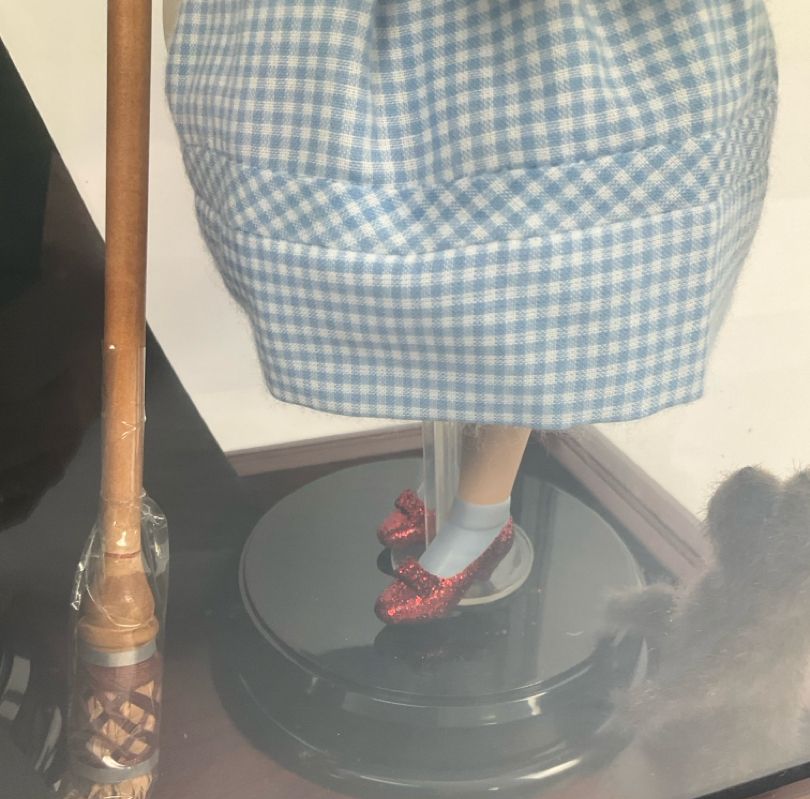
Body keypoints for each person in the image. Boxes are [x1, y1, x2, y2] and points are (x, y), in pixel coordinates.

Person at [166, 0, 777, 622]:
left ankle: (480, 519)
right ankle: (449, 497)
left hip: (540, 60)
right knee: (461, 299)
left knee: (525, 288)